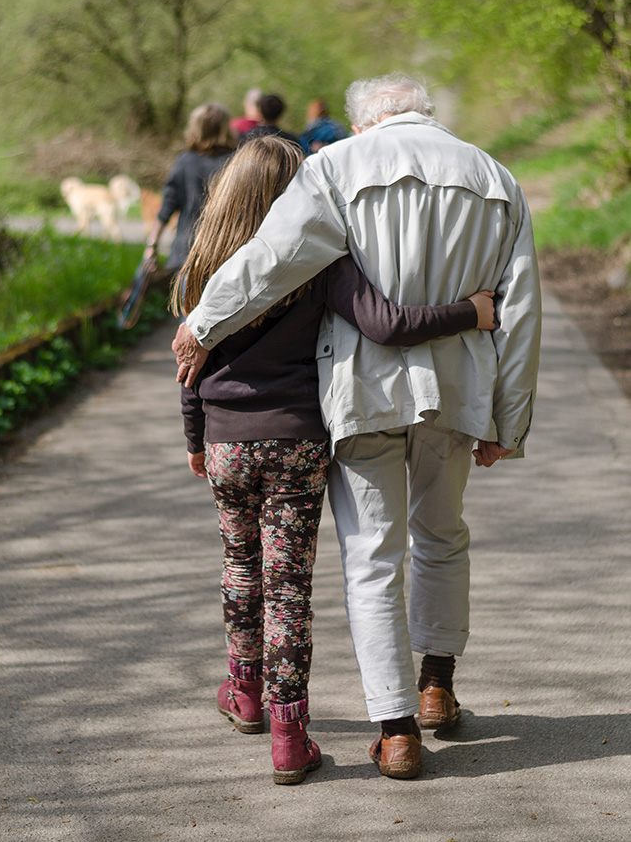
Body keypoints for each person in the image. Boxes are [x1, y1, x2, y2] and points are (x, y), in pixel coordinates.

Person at [171, 73, 542, 780]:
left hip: (362, 390)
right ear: (424, 114)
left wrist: (201, 323)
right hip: (459, 390)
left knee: (373, 558)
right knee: (443, 536)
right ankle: (437, 683)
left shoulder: (334, 167)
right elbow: (519, 310)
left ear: (363, 122)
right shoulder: (495, 177)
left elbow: (273, 260)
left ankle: (396, 731)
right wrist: (509, 421)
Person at [142, 103, 236, 274]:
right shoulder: (236, 162)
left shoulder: (185, 162)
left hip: (185, 251)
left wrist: (152, 246)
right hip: (225, 253)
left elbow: (167, 207)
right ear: (225, 128)